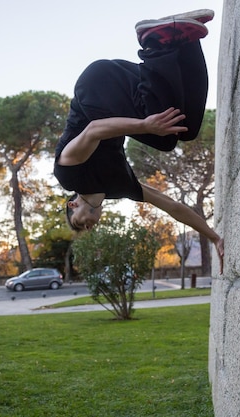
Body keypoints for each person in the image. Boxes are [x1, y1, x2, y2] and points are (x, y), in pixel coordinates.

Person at [53, 9, 224, 273]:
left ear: (72, 204)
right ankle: (185, 40)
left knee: (165, 139)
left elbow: (93, 130)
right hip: (121, 89)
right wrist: (213, 236)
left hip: (96, 87)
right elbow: (173, 206)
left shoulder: (69, 175)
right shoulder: (121, 186)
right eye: (87, 228)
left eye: (79, 223)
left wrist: (145, 126)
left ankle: (155, 41)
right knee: (184, 128)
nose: (88, 226)